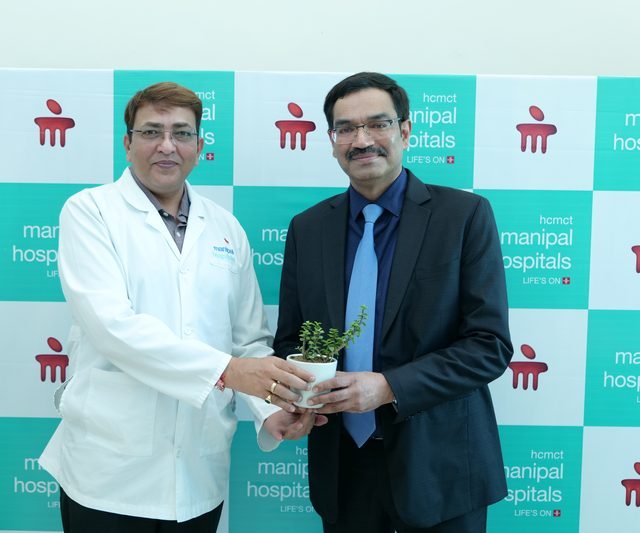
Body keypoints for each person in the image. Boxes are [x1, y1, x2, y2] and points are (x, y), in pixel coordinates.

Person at [39, 81, 322, 533]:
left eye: (182, 133)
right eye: (152, 132)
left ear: (200, 146)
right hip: (109, 472)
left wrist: (273, 410)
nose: (167, 146)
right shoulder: (91, 212)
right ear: (127, 143)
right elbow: (112, 327)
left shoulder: (225, 228)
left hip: (198, 471)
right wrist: (227, 370)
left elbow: (248, 341)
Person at [274, 72, 513, 533]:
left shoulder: (463, 216)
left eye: (377, 124)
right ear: (332, 141)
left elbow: (489, 346)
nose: (362, 140)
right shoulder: (308, 228)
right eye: (346, 128)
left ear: (405, 130)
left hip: (441, 467)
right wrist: (299, 395)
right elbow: (291, 341)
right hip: (344, 467)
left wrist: (388, 387)